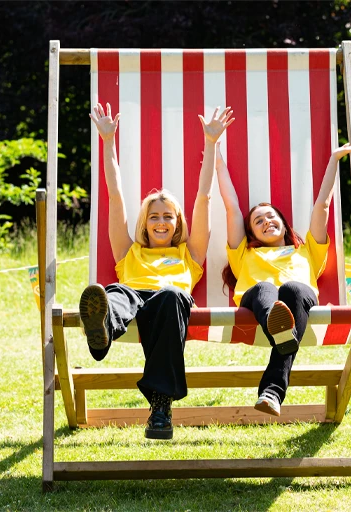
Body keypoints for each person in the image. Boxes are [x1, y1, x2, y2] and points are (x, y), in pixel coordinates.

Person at [80, 102, 234, 439]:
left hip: (170, 303)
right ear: (144, 224)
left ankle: (160, 406)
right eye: (154, 216)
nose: (161, 222)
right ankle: (101, 328)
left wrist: (211, 144)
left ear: (178, 222)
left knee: (170, 294)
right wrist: (108, 144)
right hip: (132, 297)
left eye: (168, 216)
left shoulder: (189, 253)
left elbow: (203, 197)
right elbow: (115, 197)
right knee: (113, 294)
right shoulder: (128, 251)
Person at [216, 138, 351, 416]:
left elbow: (322, 206)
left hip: (299, 302)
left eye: (270, 217)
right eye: (258, 221)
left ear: (284, 223)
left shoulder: (308, 250)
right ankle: (274, 375)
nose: (266, 222)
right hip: (258, 305)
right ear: (251, 234)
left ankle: (281, 342)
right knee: (264, 287)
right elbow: (231, 207)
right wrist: (215, 150)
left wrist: (334, 160)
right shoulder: (244, 254)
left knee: (293, 288)